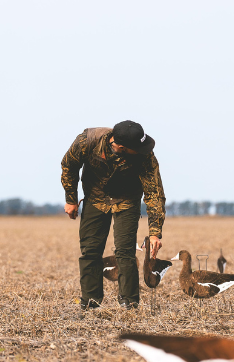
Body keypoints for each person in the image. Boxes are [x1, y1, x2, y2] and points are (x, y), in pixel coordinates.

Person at [61, 120, 166, 309]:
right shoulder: (87, 140)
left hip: (127, 200)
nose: (143, 149)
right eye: (138, 147)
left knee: (125, 251)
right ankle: (90, 302)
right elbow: (69, 165)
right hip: (95, 197)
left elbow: (154, 192)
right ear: (122, 147)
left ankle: (130, 302)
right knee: (90, 250)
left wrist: (155, 231)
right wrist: (71, 199)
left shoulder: (145, 155)